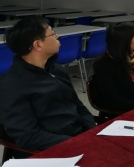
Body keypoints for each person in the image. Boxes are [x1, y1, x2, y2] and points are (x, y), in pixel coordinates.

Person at [0, 16, 95, 152]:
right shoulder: (12, 85)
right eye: (52, 34)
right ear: (38, 45)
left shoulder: (57, 70)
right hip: (51, 149)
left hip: (78, 138)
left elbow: (78, 106)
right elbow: (28, 136)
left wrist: (92, 132)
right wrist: (75, 143)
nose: (57, 36)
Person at [92, 22, 134, 113]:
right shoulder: (104, 67)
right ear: (126, 41)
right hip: (125, 111)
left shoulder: (131, 58)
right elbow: (114, 101)